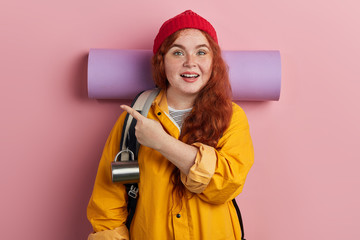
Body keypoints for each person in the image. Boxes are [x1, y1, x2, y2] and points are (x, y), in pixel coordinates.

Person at [87, 10, 254, 240]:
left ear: (213, 61)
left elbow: (225, 184)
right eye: (178, 52)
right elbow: (113, 194)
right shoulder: (134, 120)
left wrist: (162, 143)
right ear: (161, 61)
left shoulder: (232, 118)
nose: (190, 63)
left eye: (201, 52)